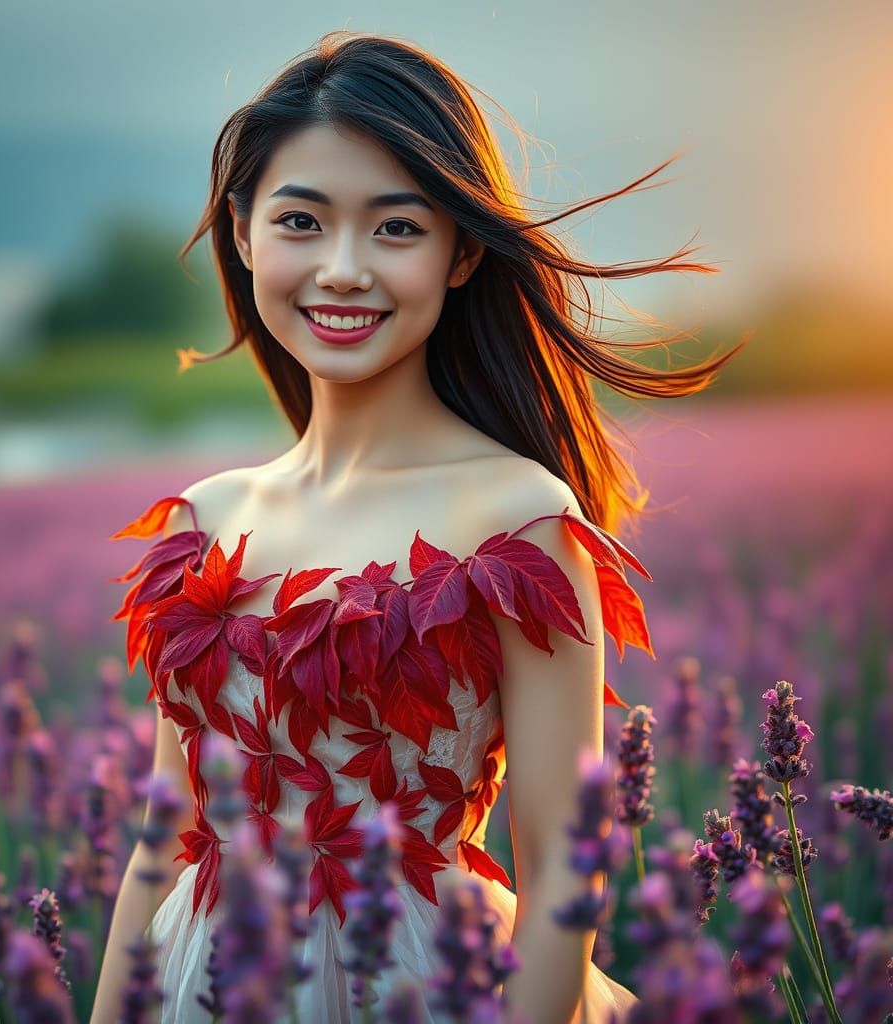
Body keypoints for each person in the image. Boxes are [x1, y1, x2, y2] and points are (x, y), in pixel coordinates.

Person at [91, 29, 744, 1024]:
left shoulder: (517, 520)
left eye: (395, 228)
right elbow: (163, 836)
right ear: (242, 231)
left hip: (420, 980)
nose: (342, 270)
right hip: (202, 978)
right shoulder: (203, 520)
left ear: (461, 250)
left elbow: (564, 874)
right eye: (301, 221)